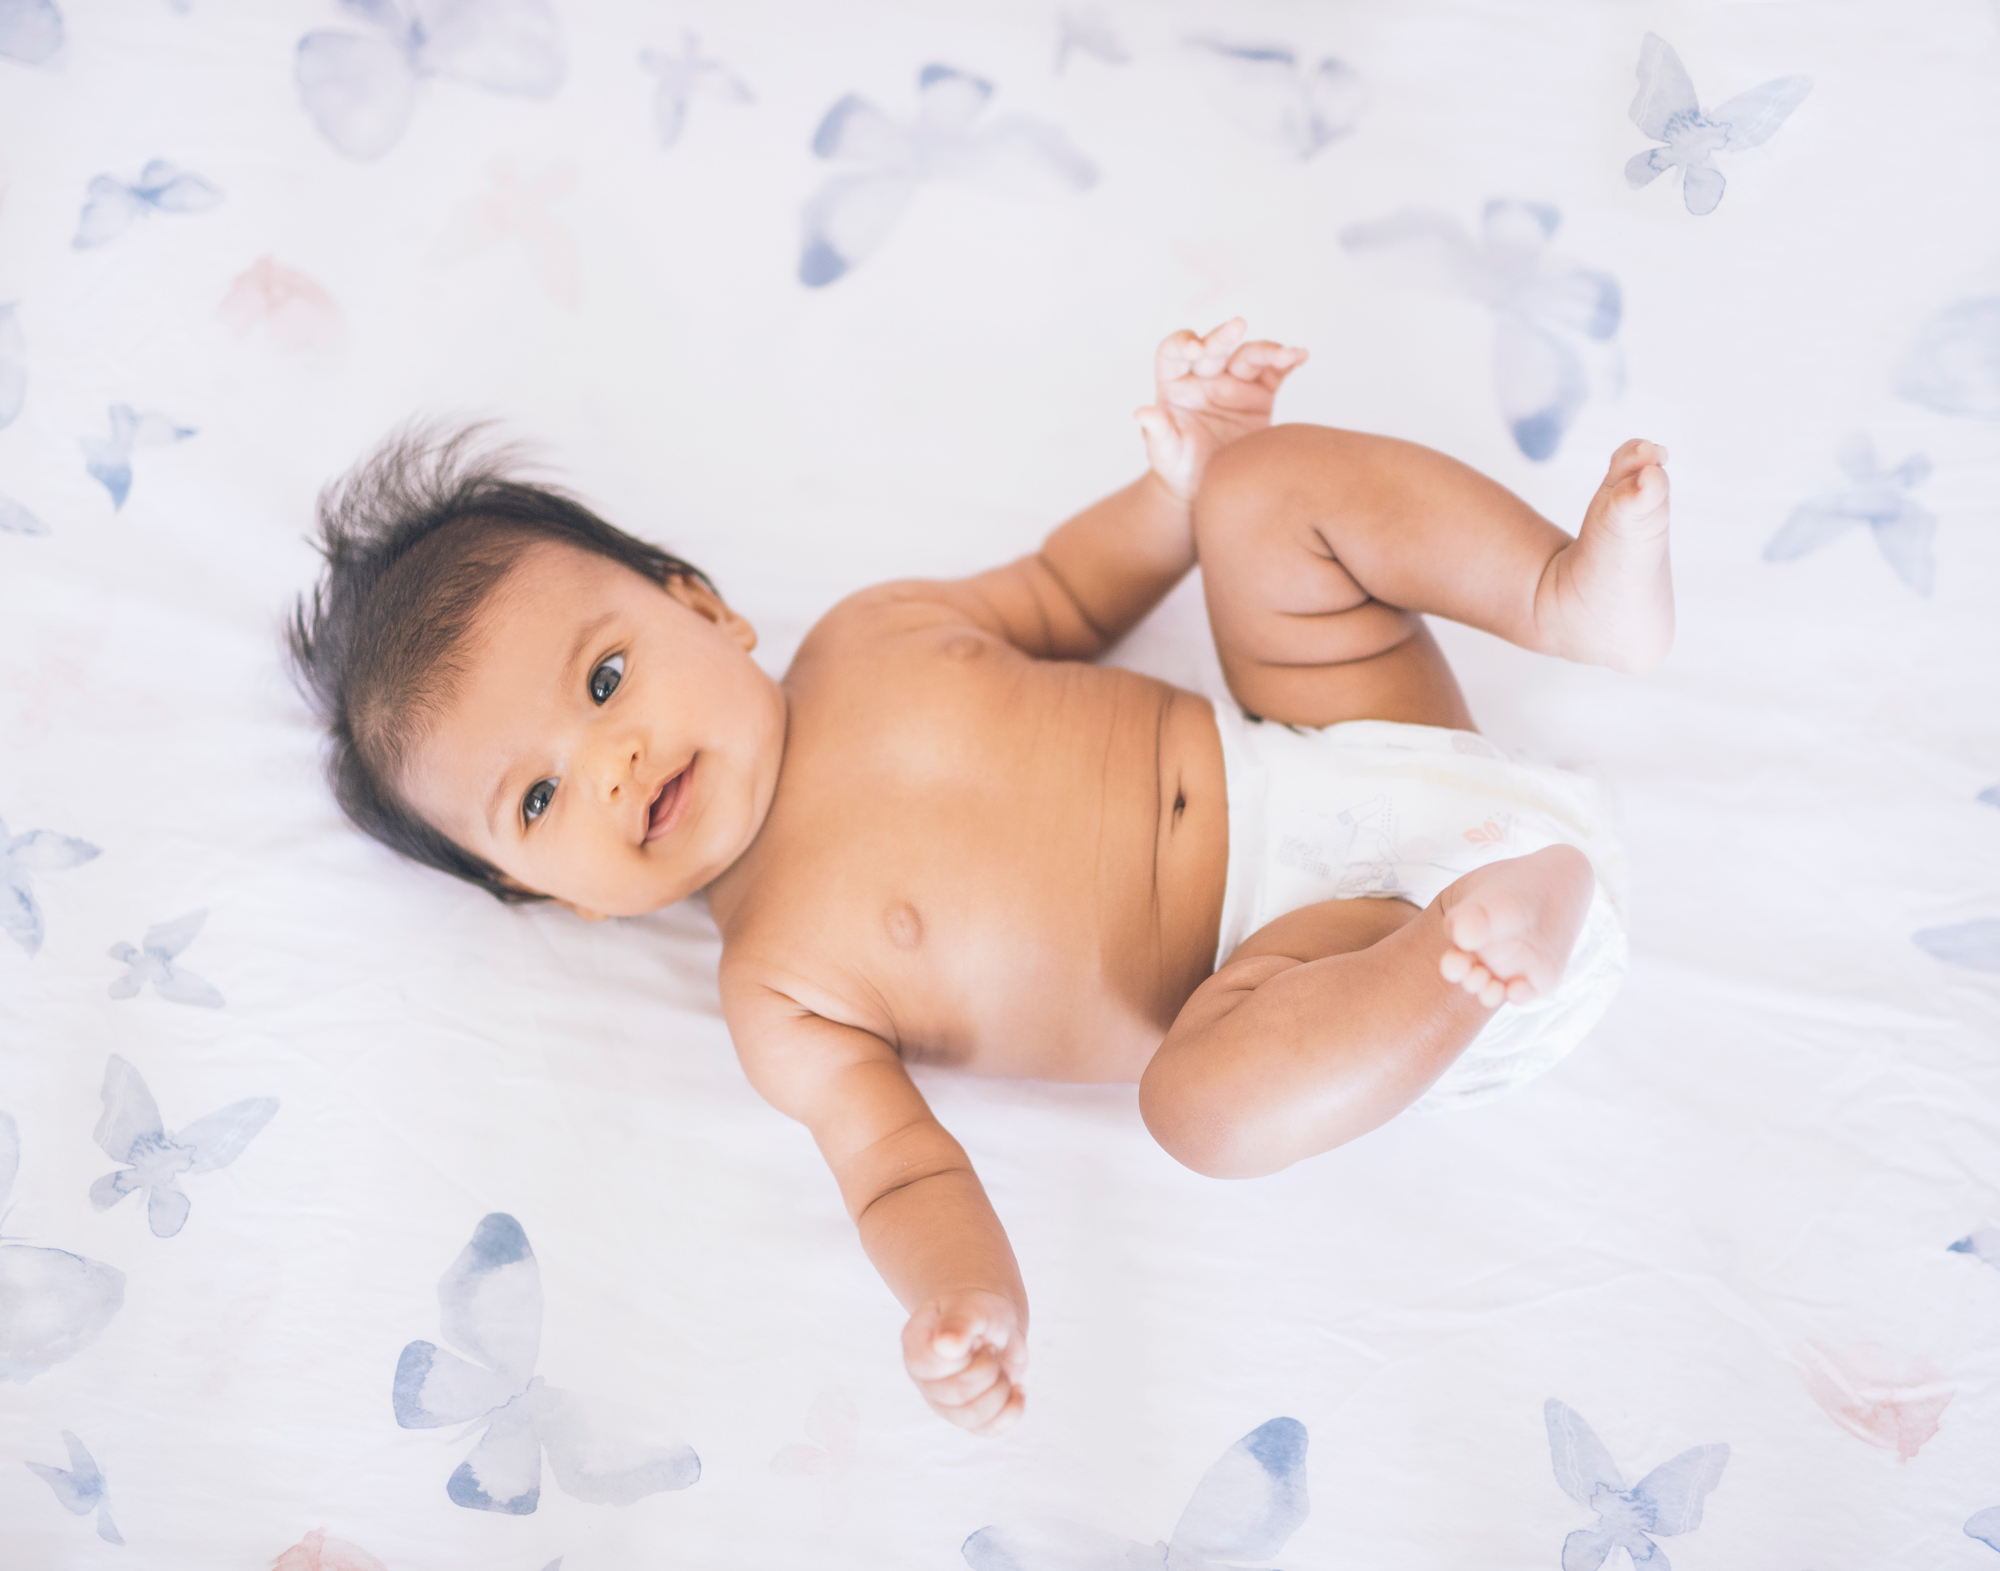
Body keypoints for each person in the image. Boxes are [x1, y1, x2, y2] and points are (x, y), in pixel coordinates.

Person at [288, 319, 1673, 1438]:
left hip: (1341, 732)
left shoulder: (872, 633)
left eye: (603, 677)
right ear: (562, 900)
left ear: (706, 608)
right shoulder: (779, 990)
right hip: (1315, 958)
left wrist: (1174, 484)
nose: (610, 760)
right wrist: (959, 1303)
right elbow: (898, 1173)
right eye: (535, 799)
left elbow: (1067, 595)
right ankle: (1471, 954)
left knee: (1269, 492)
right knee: (1197, 1107)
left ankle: (1566, 592)